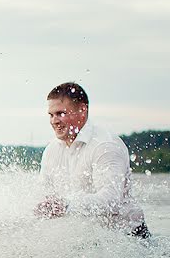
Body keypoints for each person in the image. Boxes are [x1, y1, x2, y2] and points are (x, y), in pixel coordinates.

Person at [34, 82, 150, 238]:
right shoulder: (51, 150)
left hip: (129, 238)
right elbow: (45, 194)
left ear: (82, 110)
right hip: (87, 240)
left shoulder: (105, 145)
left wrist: (66, 206)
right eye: (51, 115)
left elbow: (111, 200)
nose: (54, 121)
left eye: (60, 113)